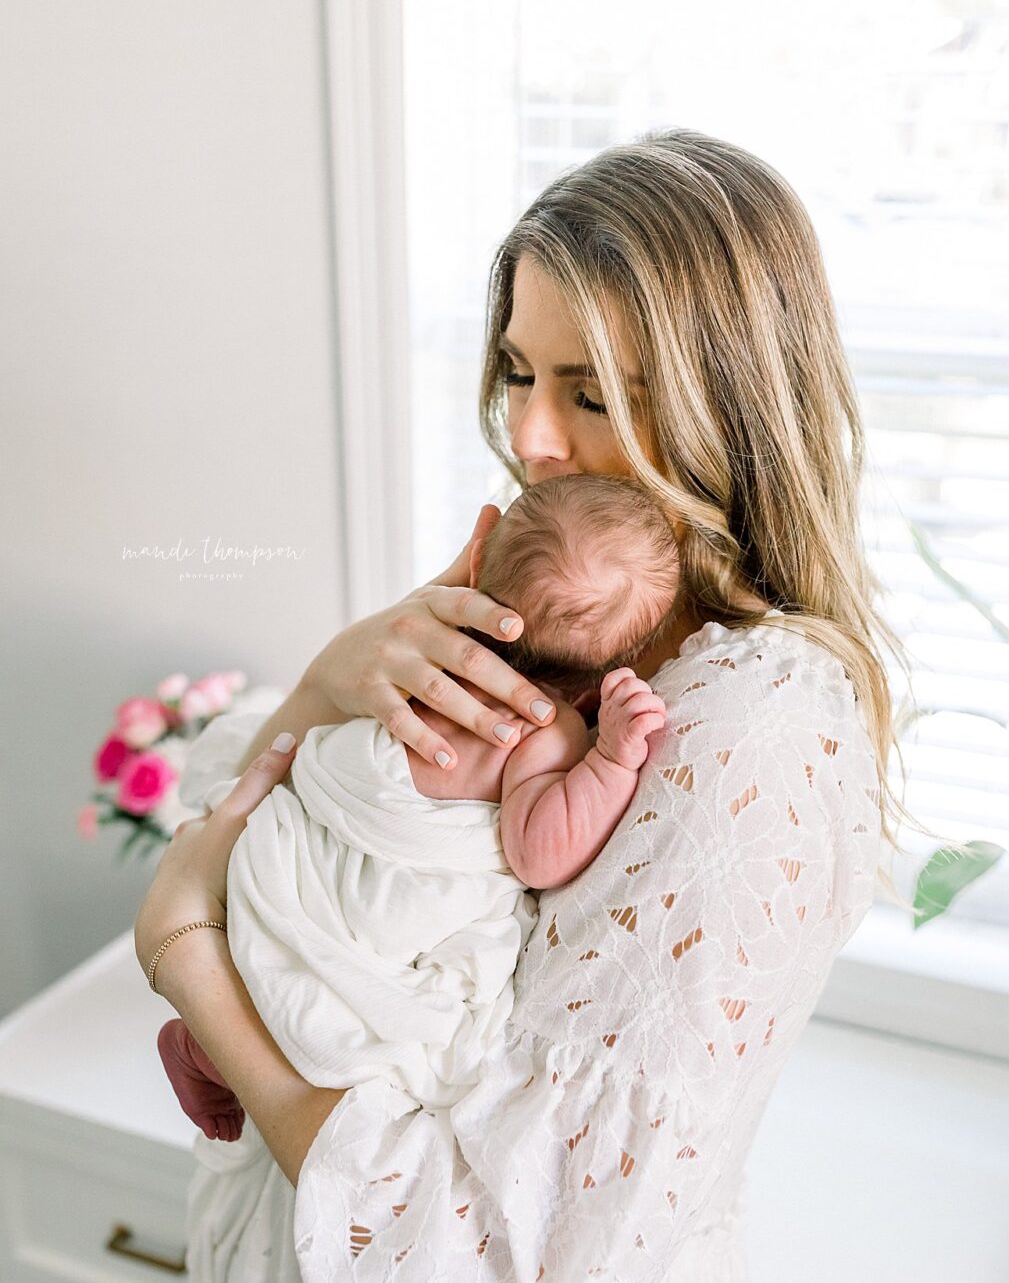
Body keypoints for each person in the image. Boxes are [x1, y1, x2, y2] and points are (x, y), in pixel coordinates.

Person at [135, 128, 909, 1283]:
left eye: (592, 392)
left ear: (728, 400)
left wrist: (189, 960)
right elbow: (308, 814)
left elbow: (480, 1267)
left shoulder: (755, 715)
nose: (533, 436)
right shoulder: (561, 596)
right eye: (516, 371)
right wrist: (326, 681)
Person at [157, 473, 679, 1143]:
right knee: (396, 1034)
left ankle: (212, 1039)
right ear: (622, 661)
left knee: (293, 950)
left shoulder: (419, 647)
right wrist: (610, 761)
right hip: (382, 901)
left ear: (479, 546)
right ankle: (211, 1050)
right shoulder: (547, 729)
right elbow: (539, 853)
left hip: (285, 855)